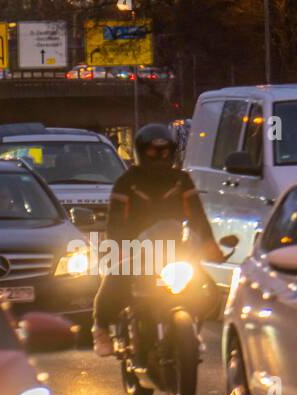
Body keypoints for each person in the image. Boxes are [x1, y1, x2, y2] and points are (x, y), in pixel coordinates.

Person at [91, 123, 223, 358]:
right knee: (116, 280)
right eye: (153, 152)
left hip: (176, 248)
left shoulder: (182, 180)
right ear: (142, 152)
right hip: (137, 249)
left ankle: (191, 329)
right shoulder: (126, 182)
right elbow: (115, 221)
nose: (159, 157)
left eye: (164, 152)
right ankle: (100, 328)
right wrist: (120, 248)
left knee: (206, 287)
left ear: (172, 152)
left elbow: (197, 215)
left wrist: (208, 243)